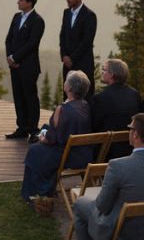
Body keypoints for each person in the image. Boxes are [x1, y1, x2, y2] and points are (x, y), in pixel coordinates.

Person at [74, 113, 144, 240]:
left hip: (124, 230)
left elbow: (102, 206)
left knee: (80, 203)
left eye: (130, 129)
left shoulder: (117, 166)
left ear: (135, 134)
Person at [21, 69, 93, 201]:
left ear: (69, 87)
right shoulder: (85, 105)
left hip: (68, 154)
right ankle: (45, 189)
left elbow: (51, 139)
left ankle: (37, 193)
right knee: (44, 130)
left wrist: (43, 138)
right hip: (83, 153)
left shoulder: (63, 109)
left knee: (35, 150)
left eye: (66, 80)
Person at [5, 0, 45, 141]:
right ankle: (22, 127)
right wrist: (9, 57)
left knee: (30, 97)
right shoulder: (16, 17)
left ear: (29, 2)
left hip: (28, 66)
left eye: (21, 0)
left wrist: (16, 58)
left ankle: (33, 129)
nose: (18, 2)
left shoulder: (38, 21)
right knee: (18, 96)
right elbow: (9, 39)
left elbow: (32, 44)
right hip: (14, 65)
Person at [91, 58, 140, 159]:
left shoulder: (101, 98)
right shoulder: (134, 94)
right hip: (129, 148)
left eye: (104, 70)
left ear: (112, 75)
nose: (102, 72)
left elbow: (94, 126)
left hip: (106, 152)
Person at [59, 0, 97, 96]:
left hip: (83, 63)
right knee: (67, 95)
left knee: (85, 97)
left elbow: (87, 41)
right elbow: (62, 36)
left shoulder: (89, 15)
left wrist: (72, 58)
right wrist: (64, 56)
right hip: (67, 65)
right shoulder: (66, 13)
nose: (67, 0)